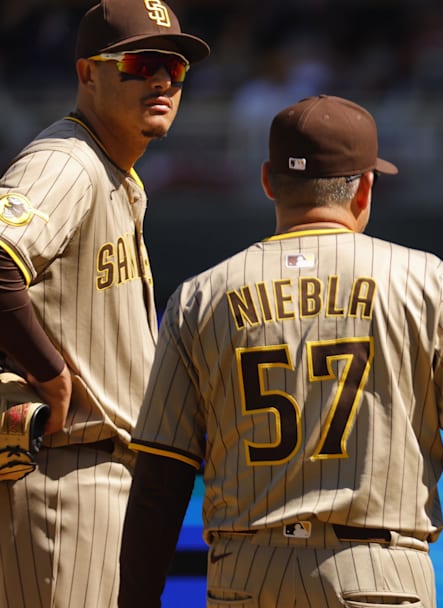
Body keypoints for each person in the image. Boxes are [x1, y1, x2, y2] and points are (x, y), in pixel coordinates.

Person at [118, 94, 443, 608]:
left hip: (246, 573)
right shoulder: (423, 279)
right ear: (364, 188)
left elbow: (161, 475)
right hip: (379, 572)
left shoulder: (201, 295)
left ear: (268, 181)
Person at [0, 1, 209, 606]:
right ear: (88, 73)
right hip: (62, 477)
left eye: (175, 67)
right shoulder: (65, 162)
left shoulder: (112, 170)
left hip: (97, 475)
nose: (163, 79)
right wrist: (49, 370)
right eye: (143, 63)